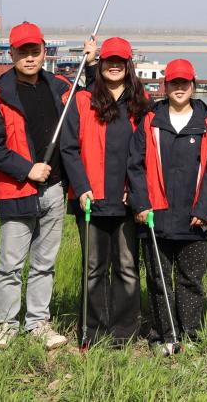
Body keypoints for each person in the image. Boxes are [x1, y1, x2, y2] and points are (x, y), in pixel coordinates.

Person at [0, 21, 71, 350]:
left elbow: (91, 101)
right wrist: (27, 169)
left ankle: (38, 323)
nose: (30, 57)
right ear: (11, 54)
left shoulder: (61, 87)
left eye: (35, 51)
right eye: (23, 52)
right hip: (17, 190)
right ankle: (6, 325)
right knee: (11, 265)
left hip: (55, 190)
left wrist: (91, 62)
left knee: (45, 263)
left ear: (44, 52)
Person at [128, 58, 207, 353]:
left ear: (193, 86)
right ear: (165, 86)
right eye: (174, 83)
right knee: (158, 280)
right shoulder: (149, 122)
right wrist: (141, 205)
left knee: (190, 280)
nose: (179, 88)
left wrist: (203, 209)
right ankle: (163, 335)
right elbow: (135, 166)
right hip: (155, 216)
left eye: (185, 83)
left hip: (194, 218)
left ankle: (189, 335)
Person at [60, 36, 148, 347]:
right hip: (90, 199)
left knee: (127, 267)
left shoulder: (141, 104)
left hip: (126, 201)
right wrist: (82, 187)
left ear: (128, 65)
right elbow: (69, 148)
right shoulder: (82, 100)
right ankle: (93, 331)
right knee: (94, 269)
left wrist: (135, 191)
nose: (114, 66)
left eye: (120, 61)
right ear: (101, 65)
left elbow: (146, 152)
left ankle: (124, 332)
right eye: (109, 60)